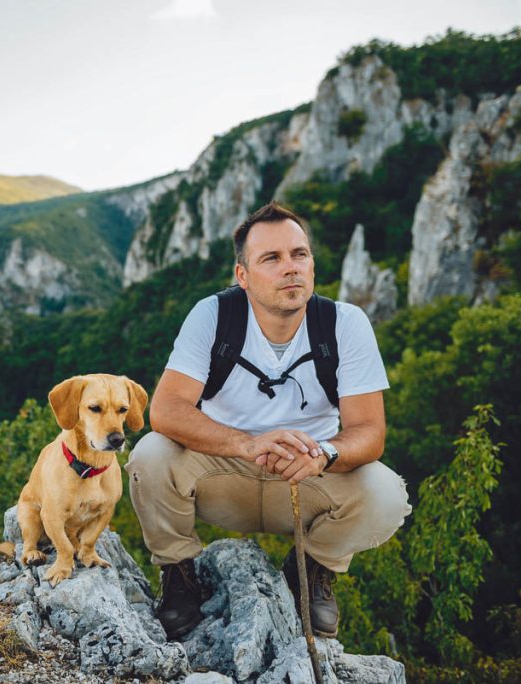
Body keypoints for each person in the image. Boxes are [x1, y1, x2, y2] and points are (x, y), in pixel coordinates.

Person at [126, 201, 412, 640]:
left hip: (307, 476)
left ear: (312, 264)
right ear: (242, 276)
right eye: (272, 258)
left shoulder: (344, 324)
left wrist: (324, 453)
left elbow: (370, 432)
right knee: (150, 455)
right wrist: (247, 444)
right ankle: (179, 574)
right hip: (223, 471)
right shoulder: (213, 315)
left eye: (299, 254)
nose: (290, 268)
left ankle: (310, 571)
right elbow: (165, 410)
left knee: (387, 494)